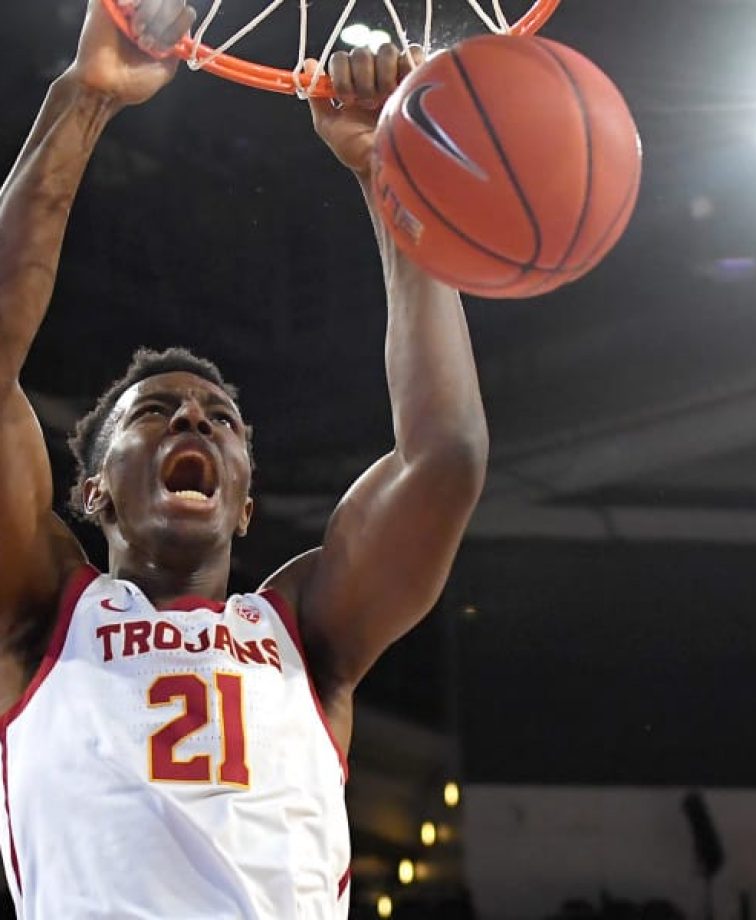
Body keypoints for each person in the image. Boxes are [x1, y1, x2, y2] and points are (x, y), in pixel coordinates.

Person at [0, 1, 488, 916]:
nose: (195, 420)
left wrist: (392, 179)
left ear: (246, 502)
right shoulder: (41, 613)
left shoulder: (305, 630)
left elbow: (445, 458)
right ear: (95, 490)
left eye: (221, 418)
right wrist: (87, 96)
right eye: (157, 412)